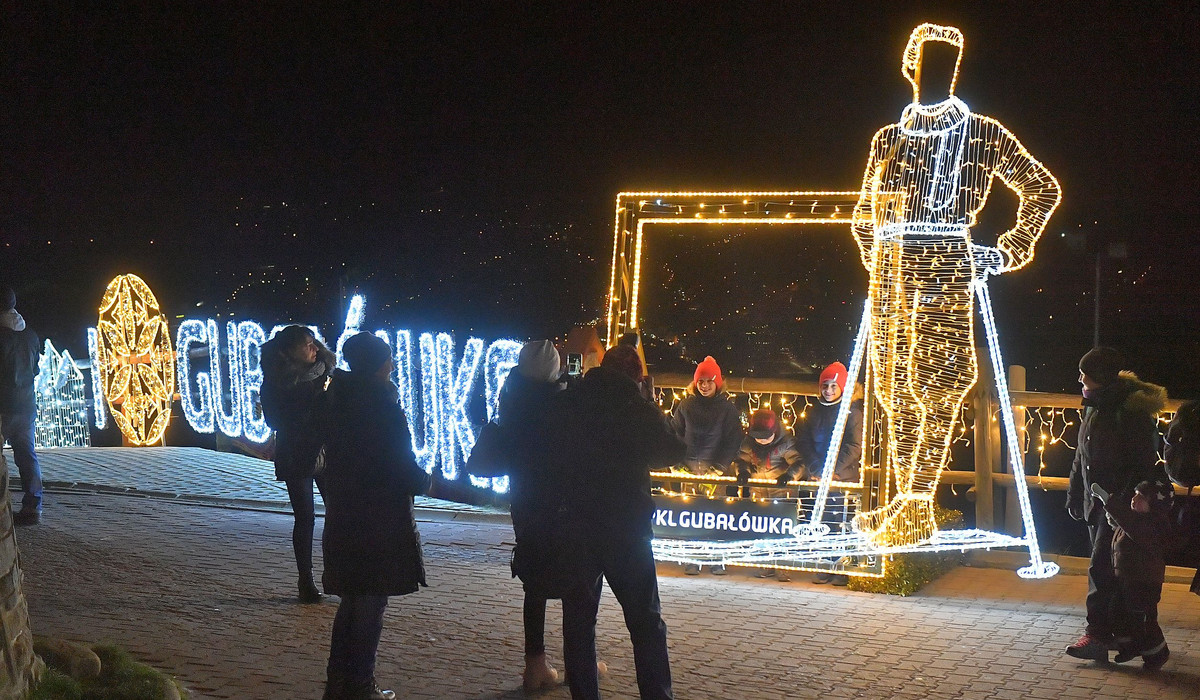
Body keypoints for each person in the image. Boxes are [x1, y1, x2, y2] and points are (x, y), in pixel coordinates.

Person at [850, 23, 1061, 547]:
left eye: (948, 60)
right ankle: (906, 502)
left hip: (946, 260)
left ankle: (919, 501)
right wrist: (875, 253)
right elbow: (861, 213)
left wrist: (1006, 250)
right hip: (893, 270)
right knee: (896, 389)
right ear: (911, 67)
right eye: (929, 60)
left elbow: (1041, 187)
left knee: (938, 385)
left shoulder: (981, 133)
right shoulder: (889, 139)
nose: (937, 69)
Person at [552, 344, 685, 700]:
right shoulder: (636, 409)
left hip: (577, 523)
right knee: (645, 622)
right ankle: (657, 694)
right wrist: (651, 403)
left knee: (579, 623)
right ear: (636, 376)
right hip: (627, 527)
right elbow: (672, 451)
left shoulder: (570, 401)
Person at [320, 332, 431, 700]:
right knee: (370, 602)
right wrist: (423, 480)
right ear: (377, 364)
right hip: (378, 517)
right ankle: (360, 685)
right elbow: (397, 460)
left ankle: (338, 683)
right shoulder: (382, 404)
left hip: (346, 512)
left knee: (353, 601)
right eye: (388, 358)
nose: (393, 364)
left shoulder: (338, 398)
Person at [466, 340, 568, 691]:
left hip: (525, 500)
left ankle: (534, 664)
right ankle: (578, 656)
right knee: (576, 577)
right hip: (565, 502)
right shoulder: (566, 403)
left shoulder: (512, 402)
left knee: (534, 580)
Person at [1064, 347, 1167, 662]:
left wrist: (1123, 502)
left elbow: (1143, 463)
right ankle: (1134, 641)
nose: (1080, 378)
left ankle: (1098, 636)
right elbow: (1082, 457)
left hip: (1120, 510)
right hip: (1098, 507)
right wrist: (1075, 494)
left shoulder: (1130, 413)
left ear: (1103, 378)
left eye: (1086, 374)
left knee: (1105, 570)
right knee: (1112, 574)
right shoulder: (1094, 407)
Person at [260, 325, 336, 603]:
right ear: (289, 351)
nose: (314, 348)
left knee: (338, 514)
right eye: (307, 344)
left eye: (314, 343)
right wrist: (307, 404)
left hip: (329, 450)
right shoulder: (276, 382)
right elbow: (274, 420)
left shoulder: (328, 374)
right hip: (296, 451)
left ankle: (336, 574)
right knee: (305, 517)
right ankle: (306, 579)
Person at [670, 355, 743, 574]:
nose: (704, 386)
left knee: (716, 514)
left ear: (717, 382)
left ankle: (716, 558)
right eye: (701, 381)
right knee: (691, 514)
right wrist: (676, 464)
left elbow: (733, 440)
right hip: (689, 468)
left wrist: (720, 467)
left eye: (709, 381)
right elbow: (674, 434)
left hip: (715, 470)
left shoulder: (727, 409)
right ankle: (693, 556)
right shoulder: (686, 405)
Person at [792, 362, 864, 584]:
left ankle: (843, 567)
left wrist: (832, 470)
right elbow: (803, 441)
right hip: (818, 476)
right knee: (820, 521)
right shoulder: (814, 411)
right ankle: (825, 563)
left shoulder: (853, 412)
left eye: (834, 385)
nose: (829, 390)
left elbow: (854, 446)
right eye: (825, 385)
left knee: (842, 522)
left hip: (843, 477)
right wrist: (816, 469)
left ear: (843, 387)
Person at [1100, 479, 1173, 670]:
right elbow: (1127, 527)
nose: (1134, 499)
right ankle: (1129, 646)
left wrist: (1110, 504)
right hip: (1127, 578)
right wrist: (1115, 523)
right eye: (1135, 494)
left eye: (1141, 497)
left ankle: (1157, 653)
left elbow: (1133, 527)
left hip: (1144, 582)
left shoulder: (1152, 526)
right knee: (1118, 610)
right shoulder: (1135, 523)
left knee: (1142, 619)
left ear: (1155, 504)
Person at [734, 408, 802, 582]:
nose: (762, 441)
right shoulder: (748, 444)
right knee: (762, 529)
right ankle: (765, 562)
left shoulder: (786, 443)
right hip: (759, 493)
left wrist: (789, 476)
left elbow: (799, 463)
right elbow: (742, 460)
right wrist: (743, 472)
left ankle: (783, 565)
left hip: (782, 494)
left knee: (783, 531)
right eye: (758, 437)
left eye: (766, 437)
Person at [0, 285, 43, 526]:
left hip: (2, 406)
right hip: (26, 406)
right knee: (27, 457)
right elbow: (35, 370)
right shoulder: (30, 335)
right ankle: (32, 507)